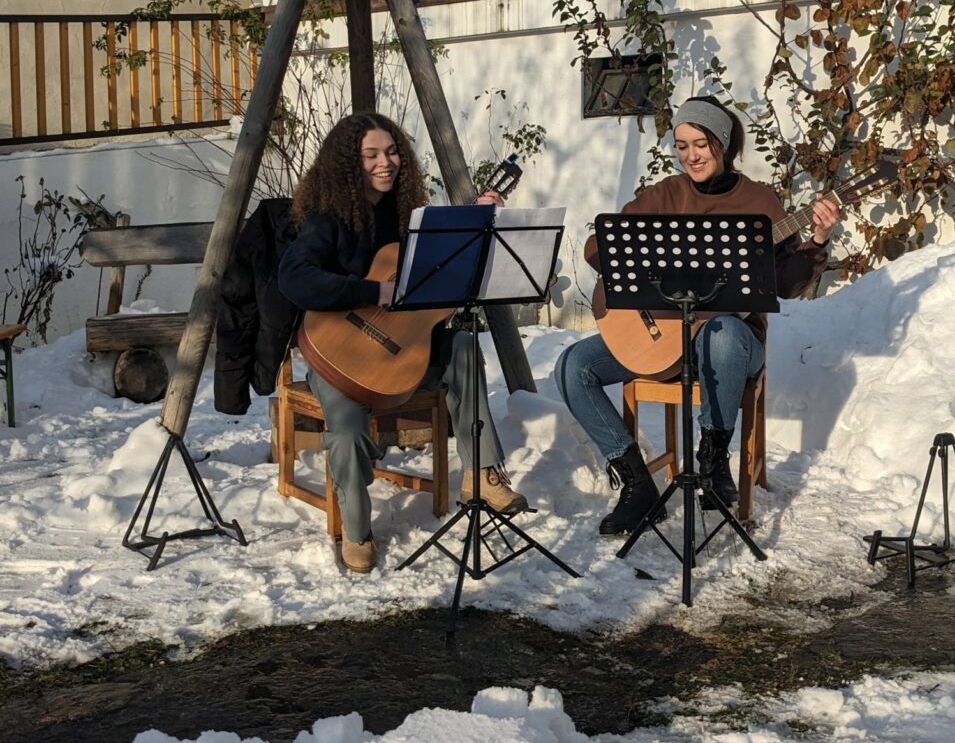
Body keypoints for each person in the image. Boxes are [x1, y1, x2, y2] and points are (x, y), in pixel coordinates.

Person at [554, 96, 840, 536]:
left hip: (734, 345)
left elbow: (785, 283)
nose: (691, 155)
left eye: (700, 144)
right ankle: (636, 483)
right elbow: (601, 247)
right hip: (663, 338)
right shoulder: (667, 193)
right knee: (574, 366)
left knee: (721, 332)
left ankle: (712, 463)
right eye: (682, 145)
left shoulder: (760, 202)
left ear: (722, 144)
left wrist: (818, 238)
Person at [277, 112, 528, 574]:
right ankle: (356, 528)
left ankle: (482, 474)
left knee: (465, 349)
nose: (385, 162)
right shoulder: (325, 222)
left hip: (402, 354)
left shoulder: (410, 219)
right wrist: (373, 292)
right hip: (342, 357)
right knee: (349, 430)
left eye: (392, 152)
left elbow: (441, 279)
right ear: (346, 164)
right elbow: (295, 279)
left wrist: (475, 230)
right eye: (370, 154)